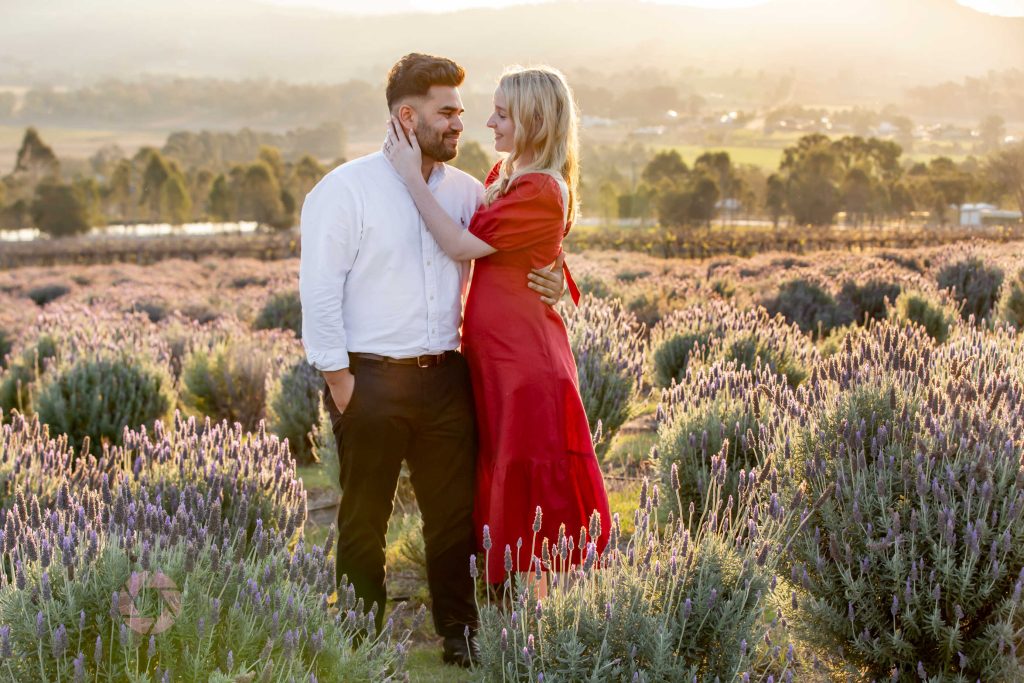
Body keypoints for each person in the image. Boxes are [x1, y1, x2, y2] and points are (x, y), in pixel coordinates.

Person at [298, 53, 565, 668]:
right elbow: (319, 292)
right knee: (363, 522)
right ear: (407, 115)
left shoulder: (471, 191)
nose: (459, 125)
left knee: (453, 522)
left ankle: (461, 638)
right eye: (447, 113)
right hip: (369, 381)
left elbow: (520, 240)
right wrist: (340, 380)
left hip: (447, 379)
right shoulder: (343, 191)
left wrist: (556, 276)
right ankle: (360, 641)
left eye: (462, 113)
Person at [384, 65, 611, 591]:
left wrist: (411, 178)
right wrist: (558, 268)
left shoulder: (538, 188)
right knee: (508, 463)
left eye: (503, 114)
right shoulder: (509, 175)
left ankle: (542, 623)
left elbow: (461, 245)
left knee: (530, 473)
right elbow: (528, 248)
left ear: (534, 120)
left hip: (525, 361)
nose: (489, 123)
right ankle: (526, 611)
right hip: (498, 357)